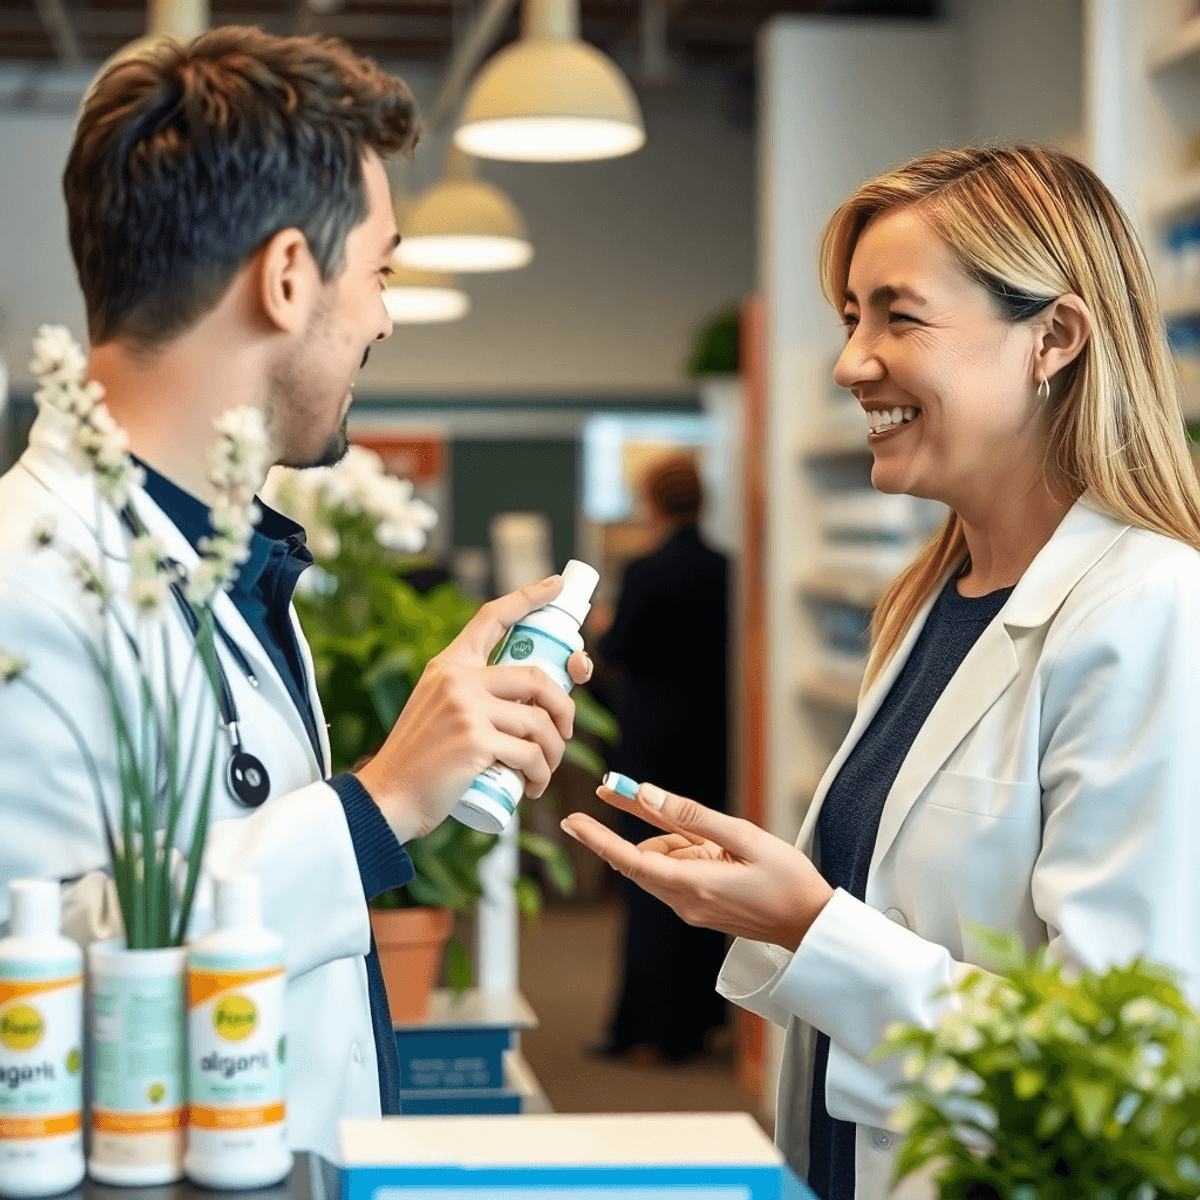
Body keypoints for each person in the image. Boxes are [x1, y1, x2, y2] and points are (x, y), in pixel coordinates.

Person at [561, 144, 1200, 1200]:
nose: (852, 361)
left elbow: (1130, 1065)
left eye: (897, 317)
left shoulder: (1149, 610)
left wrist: (807, 922)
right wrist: (764, 903)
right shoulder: (928, 603)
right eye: (852, 316)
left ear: (1055, 337)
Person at [0, 29, 592, 1159]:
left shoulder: (213, 558)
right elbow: (37, 984)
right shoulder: (26, 586)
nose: (383, 316)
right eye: (381, 271)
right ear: (286, 277)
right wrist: (376, 808)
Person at [592, 455, 729, 1062]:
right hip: (709, 743)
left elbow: (619, 647)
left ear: (654, 502)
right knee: (708, 867)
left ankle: (643, 1027)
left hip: (650, 746)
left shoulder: (645, 569)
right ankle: (696, 1022)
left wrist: (603, 626)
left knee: (647, 879)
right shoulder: (727, 569)